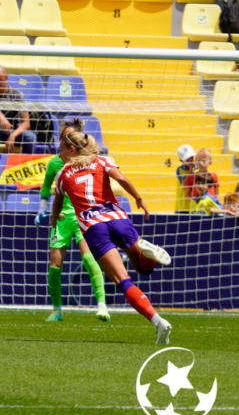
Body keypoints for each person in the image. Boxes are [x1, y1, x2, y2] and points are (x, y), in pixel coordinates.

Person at [52, 131, 173, 344]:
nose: (59, 154)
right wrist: (138, 198)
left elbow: (58, 202)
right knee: (145, 268)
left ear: (72, 150)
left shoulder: (62, 174)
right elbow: (121, 179)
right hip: (118, 218)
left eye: (61, 149)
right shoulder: (102, 160)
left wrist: (54, 219)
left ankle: (158, 322)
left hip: (94, 227)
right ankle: (147, 251)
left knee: (122, 279)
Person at [34, 118, 109, 322]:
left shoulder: (90, 162)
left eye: (71, 137)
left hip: (83, 218)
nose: (67, 140)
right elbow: (46, 187)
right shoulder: (55, 162)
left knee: (89, 258)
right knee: (55, 264)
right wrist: (42, 209)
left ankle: (102, 305)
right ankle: (57, 309)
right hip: (62, 218)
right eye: (65, 137)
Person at [0, 65, 37, 157]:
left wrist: (13, 135)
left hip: (11, 131)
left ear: (6, 78)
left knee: (31, 137)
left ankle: (24, 164)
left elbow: (26, 123)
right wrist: (2, 118)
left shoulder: (17, 94)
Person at [174, 144, 195, 213]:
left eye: (191, 157)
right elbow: (184, 183)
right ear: (181, 160)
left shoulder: (197, 170)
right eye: (187, 159)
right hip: (181, 207)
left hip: (193, 206)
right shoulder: (179, 170)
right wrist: (190, 171)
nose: (190, 160)